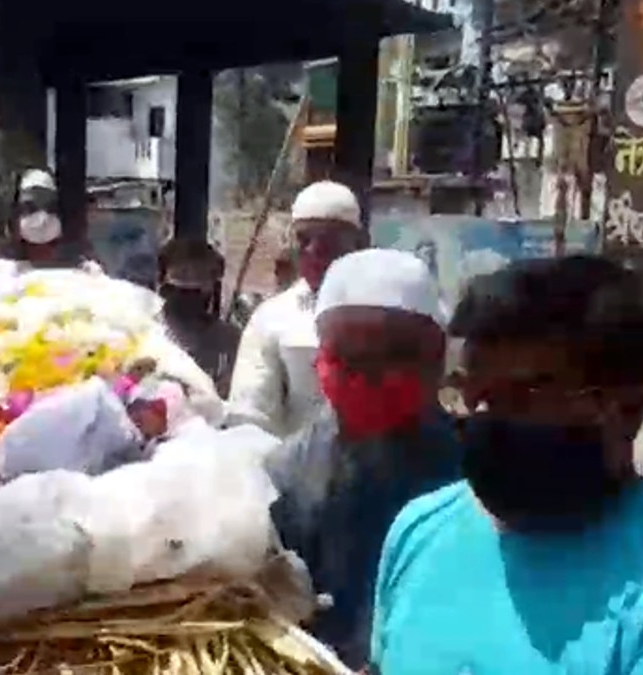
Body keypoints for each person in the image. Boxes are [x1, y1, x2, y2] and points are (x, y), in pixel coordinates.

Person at [370, 256, 643, 675]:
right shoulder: (420, 532)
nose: (485, 420)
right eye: (470, 396)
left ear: (626, 407)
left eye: (521, 397)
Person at [265, 249, 460, 668]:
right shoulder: (286, 473)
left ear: (437, 358)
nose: (372, 375)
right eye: (350, 358)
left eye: (395, 354)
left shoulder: (482, 469)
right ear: (322, 357)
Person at [227, 180, 367, 436]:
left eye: (328, 241)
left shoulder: (385, 312)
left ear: (358, 244)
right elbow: (251, 418)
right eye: (304, 240)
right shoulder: (272, 319)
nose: (314, 251)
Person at [0, 168, 101, 302]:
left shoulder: (85, 277)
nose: (42, 217)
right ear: (14, 217)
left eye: (50, 208)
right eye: (29, 208)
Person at [157, 238, 241, 397]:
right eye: (182, 289)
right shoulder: (147, 332)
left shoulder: (230, 340)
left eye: (198, 289)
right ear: (164, 285)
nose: (190, 297)